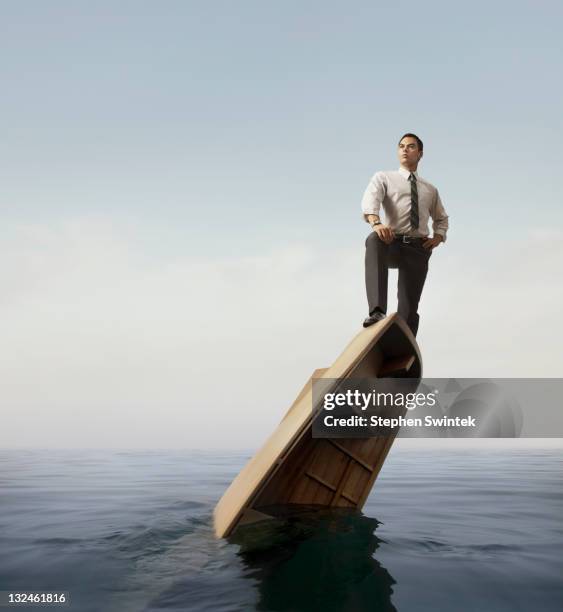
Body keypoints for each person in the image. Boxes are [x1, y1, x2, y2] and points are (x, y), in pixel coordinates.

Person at [361, 133, 449, 336]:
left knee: (409, 309)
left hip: (418, 248)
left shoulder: (430, 189)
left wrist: (438, 236)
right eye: (401, 146)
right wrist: (376, 223)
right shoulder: (384, 178)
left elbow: (442, 218)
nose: (404, 150)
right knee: (373, 239)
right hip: (391, 241)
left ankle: (405, 344)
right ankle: (377, 311)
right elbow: (370, 201)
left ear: (420, 154)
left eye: (410, 147)